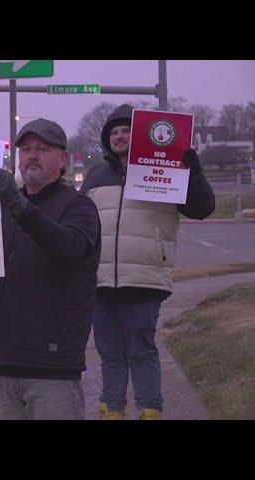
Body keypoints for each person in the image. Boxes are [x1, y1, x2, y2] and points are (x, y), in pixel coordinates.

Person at [80, 104, 215, 420]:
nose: (119, 136)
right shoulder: (96, 176)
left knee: (141, 351)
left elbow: (201, 208)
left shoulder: (169, 169)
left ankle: (149, 409)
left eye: (126, 130)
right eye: (113, 132)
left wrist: (193, 174)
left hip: (144, 278)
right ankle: (111, 409)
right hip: (100, 281)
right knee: (109, 353)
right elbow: (81, 223)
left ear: (139, 134)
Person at [0, 118, 101, 420]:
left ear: (62, 159)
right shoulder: (0, 209)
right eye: (26, 149)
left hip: (51, 367)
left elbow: (68, 248)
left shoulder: (79, 207)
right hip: (0, 363)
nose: (32, 155)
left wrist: (18, 205)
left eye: (42, 149)